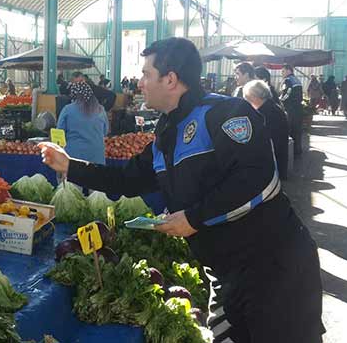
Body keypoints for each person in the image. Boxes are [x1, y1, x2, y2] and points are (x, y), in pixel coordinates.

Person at [39, 37, 323, 343]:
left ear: (170, 79)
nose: (140, 82)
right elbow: (127, 179)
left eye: (146, 74)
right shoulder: (166, 133)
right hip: (226, 274)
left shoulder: (226, 113)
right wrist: (70, 166)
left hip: (274, 268)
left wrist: (193, 218)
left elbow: (258, 178)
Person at [243, 80, 290, 180]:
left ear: (254, 96)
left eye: (247, 97)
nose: (246, 101)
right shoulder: (273, 108)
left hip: (270, 168)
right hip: (276, 164)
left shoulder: (266, 113)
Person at [57, 81, 109, 164]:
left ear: (73, 94)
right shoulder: (100, 109)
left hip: (74, 156)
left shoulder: (67, 110)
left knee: (75, 177)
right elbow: (105, 131)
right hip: (97, 156)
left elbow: (59, 132)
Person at [280, 64, 303, 157]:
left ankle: (291, 152)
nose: (282, 73)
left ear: (289, 70)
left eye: (283, 71)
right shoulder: (297, 80)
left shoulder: (288, 80)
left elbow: (287, 94)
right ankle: (298, 150)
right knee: (297, 129)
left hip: (290, 108)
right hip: (298, 107)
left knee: (290, 129)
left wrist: (280, 100)